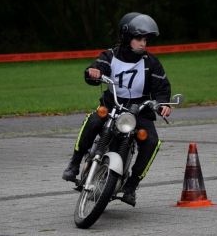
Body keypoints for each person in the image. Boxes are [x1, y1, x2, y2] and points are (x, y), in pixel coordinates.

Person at [62, 12, 172, 207]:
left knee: (152, 141)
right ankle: (75, 162)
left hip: (139, 111)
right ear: (126, 36)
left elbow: (162, 87)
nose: (143, 43)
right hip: (113, 105)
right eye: (138, 38)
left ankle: (131, 186)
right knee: (94, 120)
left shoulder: (151, 62)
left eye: (145, 39)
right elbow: (96, 70)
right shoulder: (110, 56)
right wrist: (94, 73)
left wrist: (163, 103)